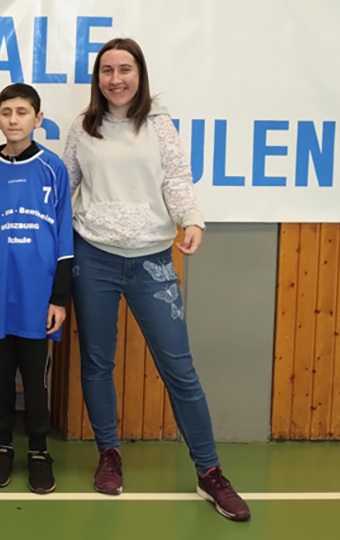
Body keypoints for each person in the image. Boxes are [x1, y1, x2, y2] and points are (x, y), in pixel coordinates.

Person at [62, 38, 250, 521]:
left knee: (179, 369)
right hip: (93, 259)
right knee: (97, 362)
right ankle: (109, 454)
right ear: (97, 79)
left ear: (140, 74)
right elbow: (65, 187)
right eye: (107, 70)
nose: (116, 79)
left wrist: (192, 220)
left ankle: (210, 471)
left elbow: (177, 180)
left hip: (152, 261)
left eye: (125, 69)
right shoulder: (83, 127)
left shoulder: (161, 125)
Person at [0, 83, 73, 494]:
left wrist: (59, 297)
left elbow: (64, 238)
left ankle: (39, 450)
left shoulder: (53, 169)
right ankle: (2, 445)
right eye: (6, 112)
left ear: (37, 119)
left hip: (38, 298)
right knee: (1, 377)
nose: (13, 119)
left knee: (36, 380)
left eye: (22, 112)